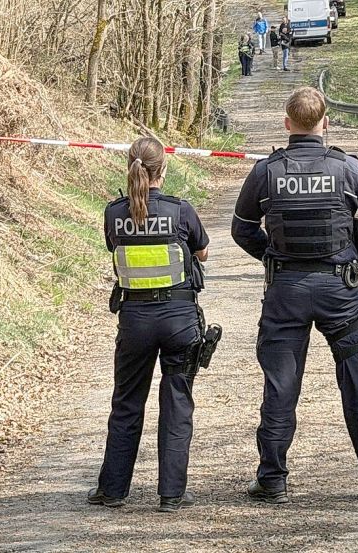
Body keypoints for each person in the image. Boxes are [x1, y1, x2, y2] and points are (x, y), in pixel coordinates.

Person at [231, 87, 358, 503]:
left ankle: (272, 481)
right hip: (339, 290)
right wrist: (355, 259)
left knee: (280, 385)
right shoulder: (349, 169)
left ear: (286, 123)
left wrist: (272, 255)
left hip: (286, 291)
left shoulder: (266, 172)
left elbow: (242, 229)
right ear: (325, 122)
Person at [89, 137, 211, 513]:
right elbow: (203, 251)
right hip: (179, 320)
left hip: (135, 322)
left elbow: (114, 246)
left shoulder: (114, 213)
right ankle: (172, 493)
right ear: (164, 169)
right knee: (177, 403)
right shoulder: (180, 210)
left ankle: (112, 490)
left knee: (127, 403)